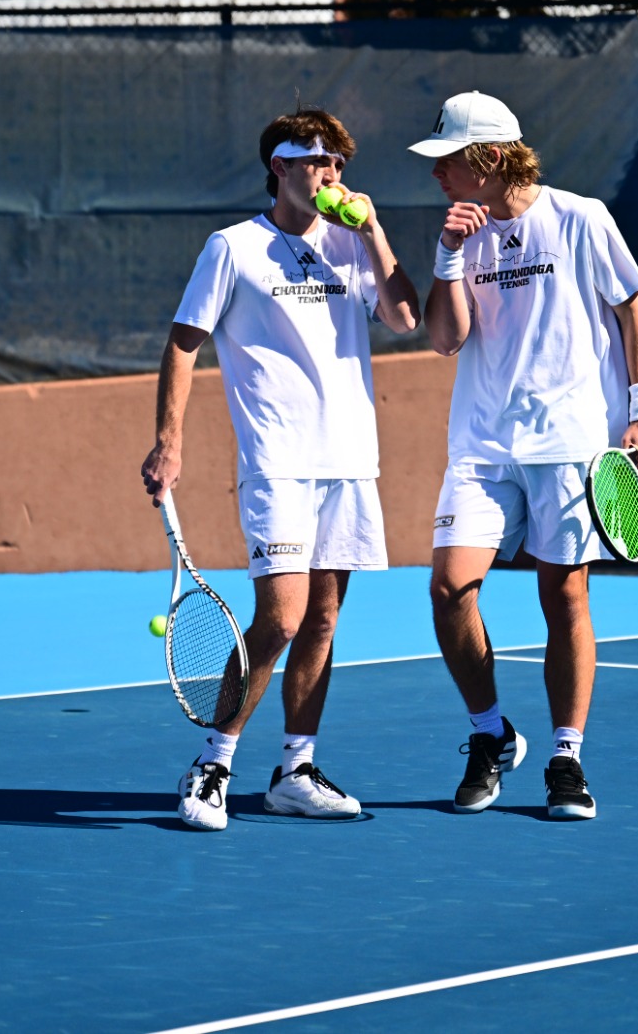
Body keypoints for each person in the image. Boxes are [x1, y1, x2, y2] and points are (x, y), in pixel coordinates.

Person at [141, 109, 421, 831]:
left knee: (322, 619)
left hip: (348, 461)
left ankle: (296, 770)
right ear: (280, 166)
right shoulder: (233, 247)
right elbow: (183, 344)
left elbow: (405, 318)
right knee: (282, 618)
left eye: (338, 164)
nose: (330, 176)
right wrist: (169, 441)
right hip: (276, 460)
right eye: (317, 162)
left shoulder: (351, 245)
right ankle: (212, 765)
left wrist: (373, 232)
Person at [409, 91, 638, 821]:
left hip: (570, 442)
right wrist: (447, 256)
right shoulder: (462, 235)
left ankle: (566, 758)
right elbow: (444, 339)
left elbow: (635, 310)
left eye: (448, 161)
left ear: (490, 157)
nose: (437, 175)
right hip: (483, 445)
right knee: (450, 589)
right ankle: (491, 732)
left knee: (565, 596)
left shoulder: (581, 218)